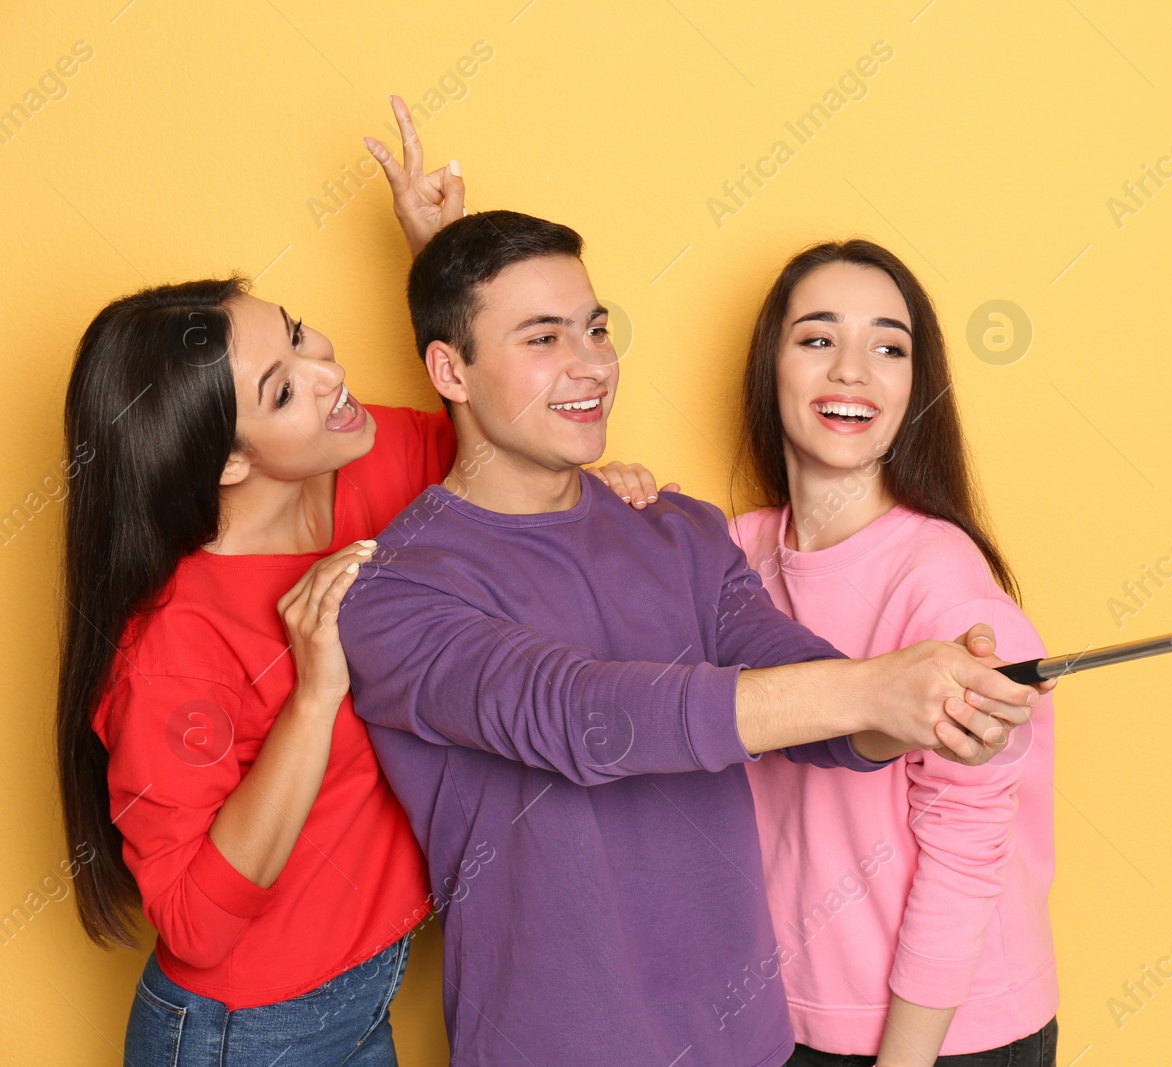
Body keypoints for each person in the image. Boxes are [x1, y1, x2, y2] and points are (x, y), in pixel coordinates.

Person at [336, 209, 1048, 1066]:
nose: (592, 363)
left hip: (754, 1045)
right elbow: (584, 714)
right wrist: (875, 687)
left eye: (596, 329)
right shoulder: (396, 590)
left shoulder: (680, 530)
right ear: (448, 368)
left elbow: (806, 686)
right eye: (544, 337)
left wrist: (926, 711)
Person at [52, 98, 669, 1066]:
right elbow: (195, 925)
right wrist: (316, 690)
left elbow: (510, 434)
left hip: (362, 992)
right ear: (222, 461)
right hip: (245, 1034)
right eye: (283, 387)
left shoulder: (371, 466)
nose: (327, 369)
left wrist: (445, 259)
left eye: (298, 333)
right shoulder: (173, 645)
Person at [727, 240, 1058, 1066]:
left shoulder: (948, 587)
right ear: (771, 365)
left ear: (916, 386)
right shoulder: (730, 558)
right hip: (787, 1019)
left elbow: (966, 849)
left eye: (888, 347)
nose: (853, 372)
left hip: (942, 1037)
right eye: (816, 338)